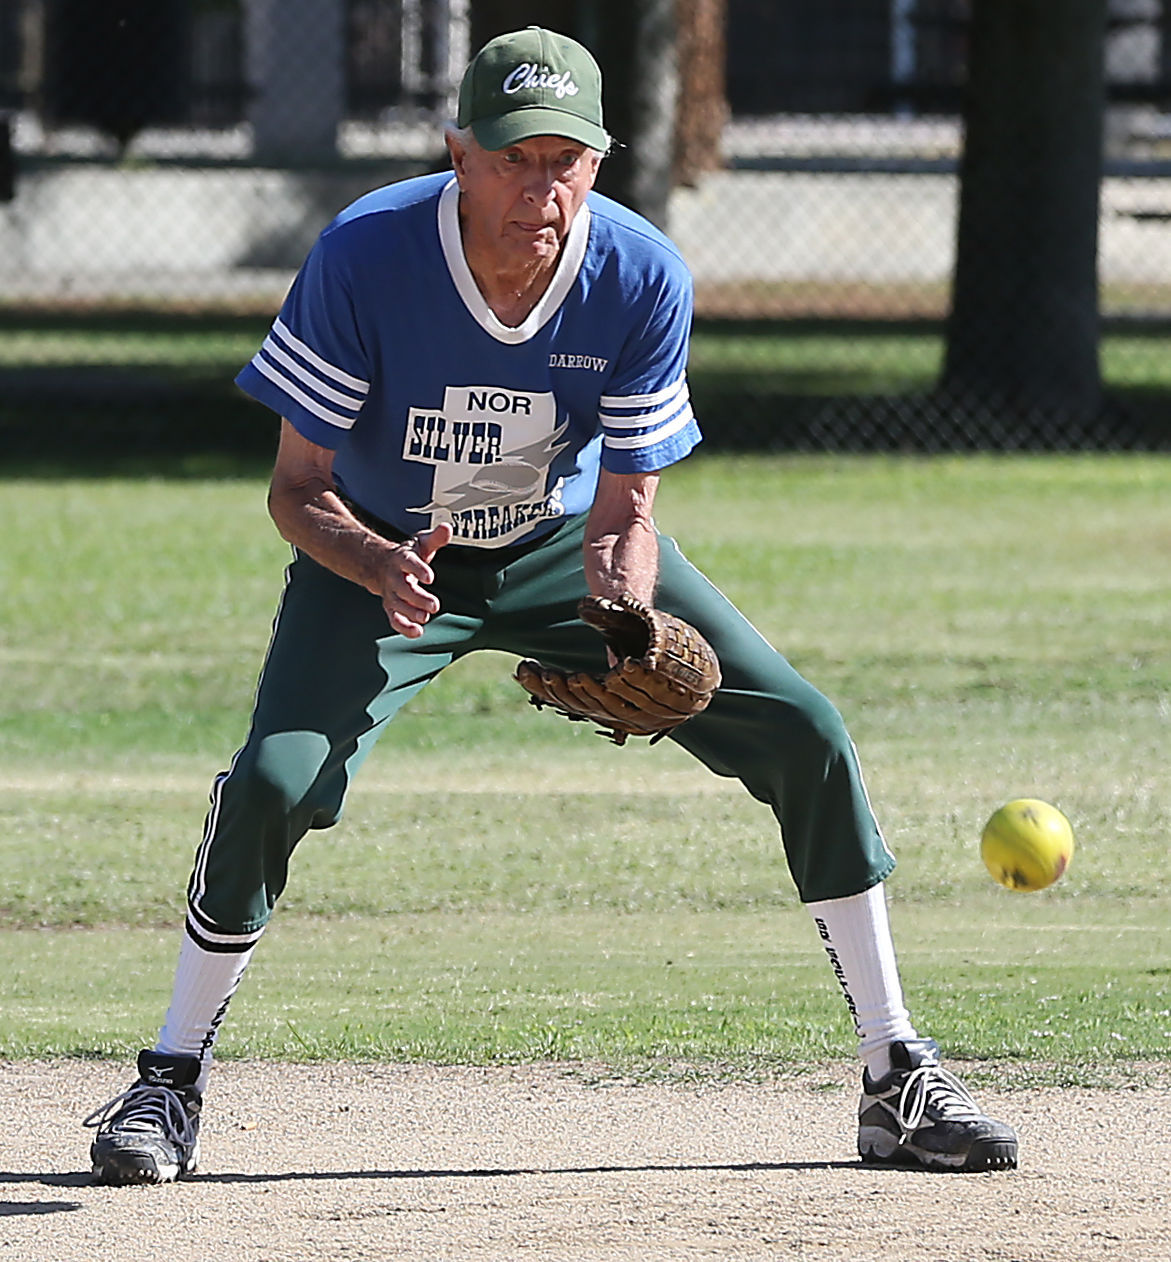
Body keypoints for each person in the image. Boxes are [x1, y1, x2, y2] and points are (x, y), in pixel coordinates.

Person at [83, 26, 1017, 1184]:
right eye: (514, 158)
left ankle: (896, 1072)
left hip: (556, 547)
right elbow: (295, 489)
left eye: (565, 159)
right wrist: (376, 564)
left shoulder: (638, 273)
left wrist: (625, 611)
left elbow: (626, 508)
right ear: (458, 154)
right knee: (275, 781)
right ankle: (168, 1076)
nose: (541, 187)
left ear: (598, 161)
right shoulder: (368, 252)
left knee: (807, 733)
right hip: (381, 550)